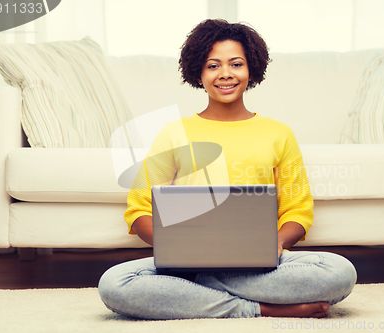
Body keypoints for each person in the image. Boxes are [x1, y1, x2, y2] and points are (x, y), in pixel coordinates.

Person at [98, 19, 357, 320]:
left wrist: (277, 242)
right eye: (213, 65)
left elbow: (298, 211)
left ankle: (202, 290)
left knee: (340, 272)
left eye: (236, 64)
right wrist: (179, 249)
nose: (225, 74)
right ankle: (260, 308)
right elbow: (138, 208)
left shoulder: (278, 133)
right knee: (114, 284)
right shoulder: (173, 132)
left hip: (259, 262)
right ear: (199, 72)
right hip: (186, 263)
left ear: (252, 69)